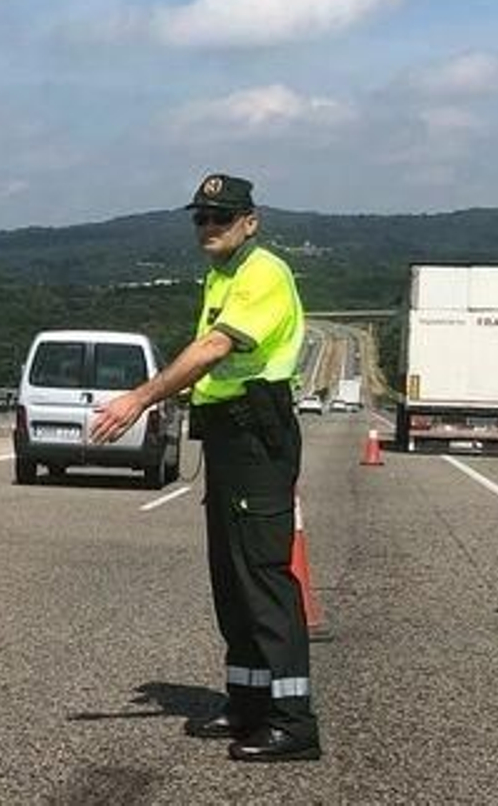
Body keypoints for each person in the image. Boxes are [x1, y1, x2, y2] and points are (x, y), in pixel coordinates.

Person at [90, 173, 321, 763]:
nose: (209, 227)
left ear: (251, 220)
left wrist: (140, 397)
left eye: (222, 217)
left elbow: (216, 349)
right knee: (233, 577)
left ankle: (292, 720)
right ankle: (247, 701)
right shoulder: (223, 275)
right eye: (202, 218)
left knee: (264, 575)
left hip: (255, 436)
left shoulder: (262, 272)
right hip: (227, 436)